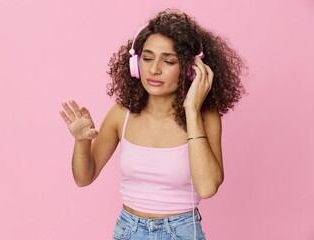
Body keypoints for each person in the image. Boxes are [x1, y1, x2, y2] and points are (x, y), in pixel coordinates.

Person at [59, 9, 245, 240]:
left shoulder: (204, 117)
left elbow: (207, 187)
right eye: (147, 59)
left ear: (190, 70)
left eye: (168, 61)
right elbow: (83, 178)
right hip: (128, 230)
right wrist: (81, 142)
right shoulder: (120, 115)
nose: (154, 69)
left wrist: (192, 110)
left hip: (182, 232)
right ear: (135, 64)